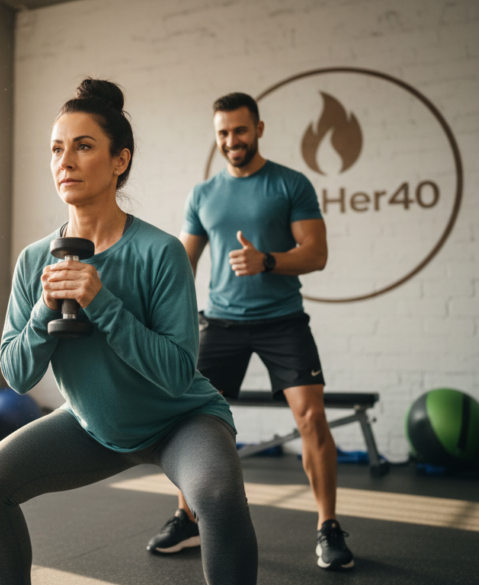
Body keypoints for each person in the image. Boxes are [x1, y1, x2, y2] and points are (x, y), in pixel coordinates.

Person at [0, 79, 258, 585]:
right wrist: (44, 309)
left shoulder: (160, 252)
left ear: (119, 160)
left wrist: (101, 301)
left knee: (216, 495)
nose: (66, 161)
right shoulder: (35, 260)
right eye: (57, 149)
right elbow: (16, 374)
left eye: (83, 146)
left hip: (179, 421)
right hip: (92, 425)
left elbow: (174, 372)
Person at [144, 92, 354, 570]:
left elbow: (316, 253)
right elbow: (183, 263)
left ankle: (328, 526)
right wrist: (156, 309)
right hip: (221, 322)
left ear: (259, 129)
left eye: (239, 130)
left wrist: (268, 260)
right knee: (190, 419)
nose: (231, 141)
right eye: (222, 133)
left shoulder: (289, 184)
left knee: (311, 419)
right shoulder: (203, 194)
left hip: (282, 319)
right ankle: (188, 517)